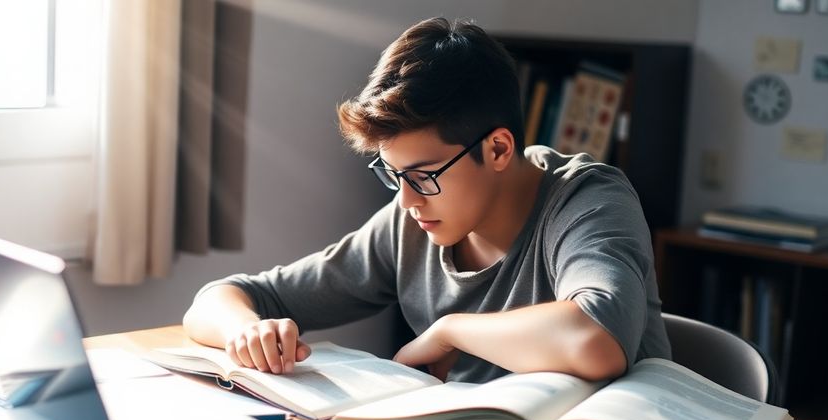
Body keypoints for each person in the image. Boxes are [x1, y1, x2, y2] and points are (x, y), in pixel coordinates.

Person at [182, 17, 670, 383]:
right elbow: (219, 299)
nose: (408, 199)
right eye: (393, 175)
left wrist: (451, 330)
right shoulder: (413, 217)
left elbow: (596, 339)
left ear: (498, 148)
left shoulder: (588, 199)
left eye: (423, 175)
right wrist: (246, 331)